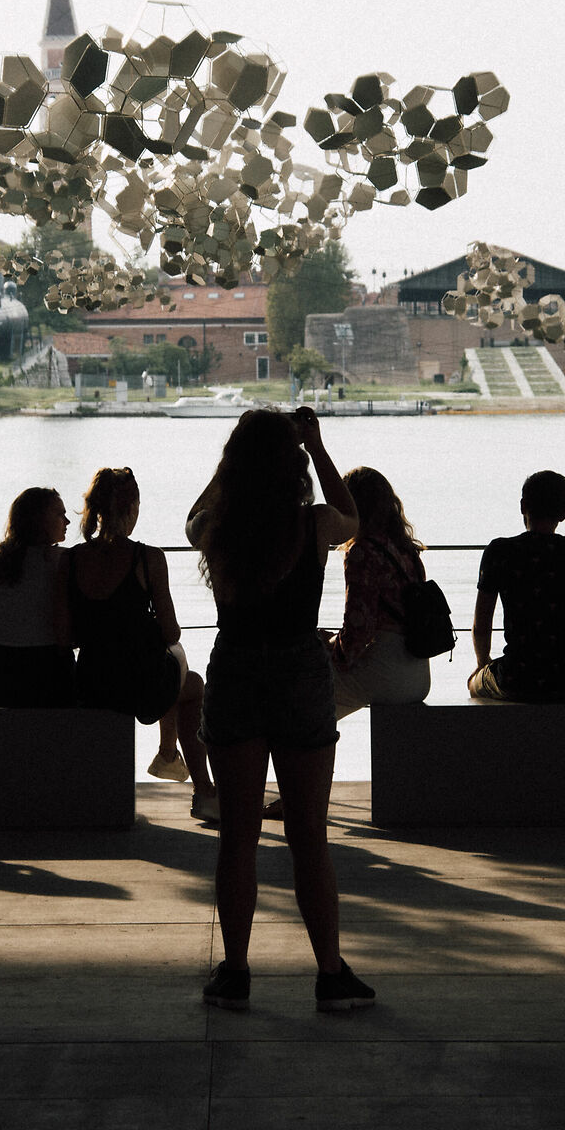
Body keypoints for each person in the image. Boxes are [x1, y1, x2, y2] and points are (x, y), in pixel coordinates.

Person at [188, 407, 372, 1011]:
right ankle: (329, 972)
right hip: (299, 671)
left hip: (237, 667)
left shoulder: (218, 527)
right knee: (308, 835)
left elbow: (193, 517)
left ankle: (235, 970)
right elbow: (354, 516)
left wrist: (231, 461)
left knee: (238, 835)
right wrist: (317, 444)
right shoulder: (313, 523)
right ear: (294, 467)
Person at [70, 467, 215, 817]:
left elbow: (69, 634)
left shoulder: (72, 558)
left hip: (90, 680)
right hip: (139, 686)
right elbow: (171, 632)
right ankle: (199, 786)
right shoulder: (147, 557)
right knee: (191, 680)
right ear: (133, 507)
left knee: (173, 669)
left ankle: (169, 756)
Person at [469, 470, 565, 701]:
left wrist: (483, 664)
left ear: (523, 505)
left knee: (474, 683)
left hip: (519, 677)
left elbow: (482, 624)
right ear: (564, 514)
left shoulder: (500, 551)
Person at [327, 466, 433, 717]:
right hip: (418, 677)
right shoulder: (407, 551)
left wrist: (332, 651)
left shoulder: (362, 552)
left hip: (387, 674)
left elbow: (359, 628)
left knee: (306, 685)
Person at [0, 486, 74, 707]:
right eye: (60, 514)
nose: (67, 521)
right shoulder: (65, 561)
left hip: (0, 677)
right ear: (40, 520)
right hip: (51, 675)